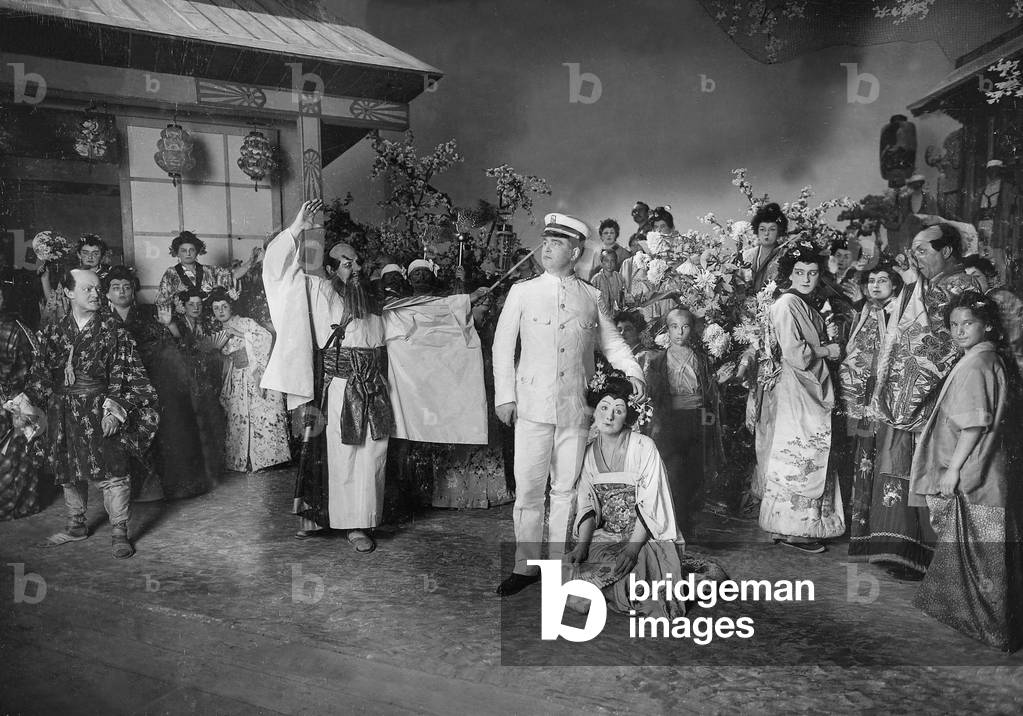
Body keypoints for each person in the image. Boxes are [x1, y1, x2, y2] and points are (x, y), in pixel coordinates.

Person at [492, 212, 645, 596]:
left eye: (557, 243)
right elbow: (501, 347)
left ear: (575, 250)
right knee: (528, 491)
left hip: (576, 408)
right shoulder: (523, 292)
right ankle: (525, 566)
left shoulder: (591, 297)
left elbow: (612, 345)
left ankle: (558, 568)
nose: (546, 248)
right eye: (545, 241)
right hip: (531, 406)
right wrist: (505, 397)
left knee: (565, 491)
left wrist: (635, 374)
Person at [262, 200, 393, 554]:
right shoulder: (318, 291)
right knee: (343, 454)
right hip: (339, 386)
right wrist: (298, 230)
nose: (357, 267)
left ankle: (360, 522)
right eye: (348, 263)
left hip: (375, 387)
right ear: (332, 269)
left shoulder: (373, 299)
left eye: (358, 261)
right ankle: (341, 523)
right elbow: (279, 272)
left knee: (371, 455)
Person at [14, 269, 158, 558]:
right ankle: (76, 526)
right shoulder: (54, 332)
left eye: (97, 289)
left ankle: (120, 532)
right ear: (68, 293)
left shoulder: (113, 330)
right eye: (87, 289)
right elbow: (40, 375)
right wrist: (25, 406)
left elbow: (126, 374)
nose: (95, 294)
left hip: (98, 407)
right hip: (62, 409)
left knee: (114, 472)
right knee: (67, 470)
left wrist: (115, 412)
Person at [910, 291, 1022, 651]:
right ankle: (985, 623)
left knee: (982, 553)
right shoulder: (987, 358)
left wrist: (952, 470)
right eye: (954, 325)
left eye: (968, 323)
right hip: (987, 469)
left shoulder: (976, 364)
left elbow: (973, 425)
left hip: (976, 470)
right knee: (982, 550)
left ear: (987, 324)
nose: (959, 331)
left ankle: (991, 627)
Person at [869, 223, 983, 578]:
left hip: (937, 390)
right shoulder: (926, 285)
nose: (914, 258)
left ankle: (929, 557)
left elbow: (946, 343)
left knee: (930, 465)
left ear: (946, 251)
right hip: (909, 388)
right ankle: (900, 548)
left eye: (922, 250)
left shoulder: (962, 285)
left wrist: (911, 387)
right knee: (902, 459)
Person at [565, 375, 714, 619]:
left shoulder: (643, 447)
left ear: (630, 416)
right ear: (594, 411)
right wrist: (582, 546)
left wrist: (633, 549)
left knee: (639, 575)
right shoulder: (589, 452)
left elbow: (651, 502)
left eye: (618, 410)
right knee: (577, 564)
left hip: (645, 537)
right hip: (608, 535)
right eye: (603, 408)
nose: (609, 416)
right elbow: (587, 504)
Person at [758, 241, 845, 553]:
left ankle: (790, 526)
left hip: (807, 384)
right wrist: (828, 350)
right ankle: (796, 529)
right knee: (801, 452)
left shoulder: (804, 304)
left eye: (812, 272)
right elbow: (796, 353)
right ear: (789, 275)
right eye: (800, 273)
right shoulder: (785, 305)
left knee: (803, 451)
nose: (807, 278)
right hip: (797, 386)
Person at [105, 266, 210, 500]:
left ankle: (170, 486)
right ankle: (127, 492)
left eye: (126, 287)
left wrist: (168, 324)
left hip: (154, 381)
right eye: (116, 287)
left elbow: (180, 343)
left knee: (170, 424)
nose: (122, 291)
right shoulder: (101, 319)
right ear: (107, 294)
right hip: (117, 385)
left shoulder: (150, 312)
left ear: (133, 290)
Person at [839, 263, 910, 572]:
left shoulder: (901, 312)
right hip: (866, 402)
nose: (876, 285)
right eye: (871, 280)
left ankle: (889, 542)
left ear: (895, 285)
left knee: (887, 467)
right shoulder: (867, 311)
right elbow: (854, 357)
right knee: (865, 465)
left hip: (890, 404)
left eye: (883, 280)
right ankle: (866, 540)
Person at [645, 307, 720, 536]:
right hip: (670, 422)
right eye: (674, 327)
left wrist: (708, 421)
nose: (680, 332)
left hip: (696, 420)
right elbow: (654, 395)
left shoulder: (701, 359)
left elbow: (709, 395)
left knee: (694, 473)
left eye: (685, 326)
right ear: (667, 330)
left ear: (693, 329)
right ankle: (673, 524)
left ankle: (686, 522)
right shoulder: (658, 360)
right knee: (673, 472)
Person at [209, 287, 291, 473]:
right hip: (236, 375)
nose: (221, 311)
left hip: (254, 374)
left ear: (232, 307)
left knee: (259, 415)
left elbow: (266, 337)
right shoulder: (216, 330)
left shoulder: (245, 322)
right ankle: (242, 461)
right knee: (237, 414)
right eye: (216, 308)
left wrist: (239, 334)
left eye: (224, 306)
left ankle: (264, 460)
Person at [0, 281, 47, 520]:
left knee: (16, 453)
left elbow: (36, 369)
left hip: (13, 401)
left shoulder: (16, 329)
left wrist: (19, 401)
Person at [174, 287, 228, 488]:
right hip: (185, 379)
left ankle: (213, 473)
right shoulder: (178, 324)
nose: (196, 308)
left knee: (211, 422)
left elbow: (215, 349)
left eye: (199, 304)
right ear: (183, 307)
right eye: (191, 304)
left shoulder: (206, 323)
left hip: (206, 380)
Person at [963, 254, 1023, 378]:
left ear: (989, 277)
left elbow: (1013, 339)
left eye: (976, 276)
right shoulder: (983, 299)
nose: (972, 282)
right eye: (967, 278)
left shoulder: (999, 298)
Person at [41, 234, 109, 325]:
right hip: (73, 323)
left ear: (102, 255)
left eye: (95, 253)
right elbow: (55, 303)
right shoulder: (71, 276)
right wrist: (44, 280)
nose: (90, 257)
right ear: (79, 254)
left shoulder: (110, 277)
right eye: (85, 253)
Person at [155, 231, 237, 307]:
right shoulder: (171, 273)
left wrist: (249, 263)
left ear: (197, 252)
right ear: (177, 253)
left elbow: (232, 276)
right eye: (183, 251)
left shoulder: (210, 270)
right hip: (182, 318)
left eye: (192, 250)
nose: (188, 253)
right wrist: (176, 295)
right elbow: (160, 301)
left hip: (208, 316)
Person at [743, 203, 788, 292]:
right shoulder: (747, 255)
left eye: (772, 229)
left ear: (779, 231)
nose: (766, 233)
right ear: (757, 231)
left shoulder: (785, 255)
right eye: (762, 229)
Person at [591, 249, 625, 314]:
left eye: (612, 261)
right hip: (601, 316)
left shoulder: (619, 277)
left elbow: (623, 297)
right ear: (601, 262)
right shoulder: (596, 279)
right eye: (606, 261)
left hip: (617, 315)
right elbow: (591, 300)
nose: (609, 264)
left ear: (616, 262)